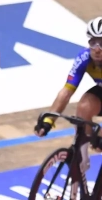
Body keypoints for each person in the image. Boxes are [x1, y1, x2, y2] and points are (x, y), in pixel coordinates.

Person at [34, 17, 102, 173]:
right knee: (84, 106)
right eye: (93, 43)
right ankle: (82, 159)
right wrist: (49, 119)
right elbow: (67, 91)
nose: (97, 49)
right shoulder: (84, 58)